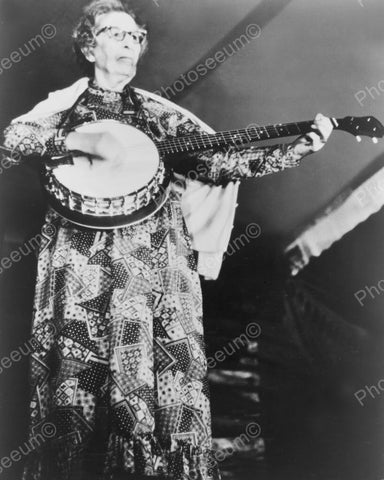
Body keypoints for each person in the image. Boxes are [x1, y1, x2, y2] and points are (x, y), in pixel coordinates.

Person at [1, 1, 333, 479]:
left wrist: (299, 148)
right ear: (89, 46)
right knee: (78, 379)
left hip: (156, 263)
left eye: (136, 37)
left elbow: (224, 165)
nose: (129, 44)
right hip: (80, 262)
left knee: (154, 386)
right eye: (116, 34)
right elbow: (13, 140)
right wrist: (82, 141)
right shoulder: (63, 106)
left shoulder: (159, 115)